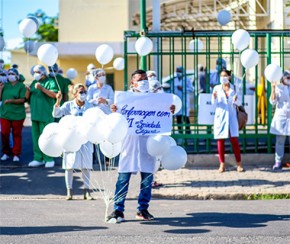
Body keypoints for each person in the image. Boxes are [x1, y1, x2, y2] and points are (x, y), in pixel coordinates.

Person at [106, 69, 175, 223]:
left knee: (147, 179)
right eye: (140, 79)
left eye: (145, 78)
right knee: (123, 179)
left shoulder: (155, 99)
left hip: (148, 145)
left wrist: (169, 110)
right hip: (129, 145)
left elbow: (163, 116)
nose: (144, 81)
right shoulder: (124, 99)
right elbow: (116, 120)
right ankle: (118, 210)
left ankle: (142, 209)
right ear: (133, 82)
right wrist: (114, 111)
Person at [52, 84, 94, 200]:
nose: (83, 94)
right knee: (69, 166)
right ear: (75, 94)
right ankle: (69, 191)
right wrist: (58, 101)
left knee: (86, 166)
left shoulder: (90, 105)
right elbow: (56, 114)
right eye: (80, 92)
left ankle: (87, 191)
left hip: (86, 139)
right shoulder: (68, 105)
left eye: (84, 91)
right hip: (70, 139)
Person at [211, 69, 244, 173]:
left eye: (225, 76)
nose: (223, 78)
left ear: (229, 77)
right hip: (220, 116)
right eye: (221, 76)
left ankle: (239, 164)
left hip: (232, 116)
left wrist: (236, 100)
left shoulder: (234, 88)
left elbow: (239, 103)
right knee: (220, 141)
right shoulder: (216, 88)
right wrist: (214, 97)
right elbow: (213, 103)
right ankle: (222, 165)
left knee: (234, 140)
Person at [27, 65, 59, 168]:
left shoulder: (51, 82)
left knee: (47, 138)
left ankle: (49, 158)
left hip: (46, 115)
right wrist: (27, 91)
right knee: (36, 138)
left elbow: (55, 95)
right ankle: (38, 158)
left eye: (37, 72)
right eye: (34, 72)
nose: (35, 74)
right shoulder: (33, 83)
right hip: (35, 115)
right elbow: (27, 98)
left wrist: (42, 89)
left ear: (43, 72)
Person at [0, 68, 26, 162]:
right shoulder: (5, 85)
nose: (10, 75)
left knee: (17, 134)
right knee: (4, 134)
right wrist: (0, 89)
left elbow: (23, 100)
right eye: (9, 73)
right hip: (5, 114)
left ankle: (16, 154)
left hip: (17, 115)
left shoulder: (21, 86)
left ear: (16, 76)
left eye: (12, 73)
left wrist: (11, 101)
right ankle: (6, 153)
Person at [269, 71, 290, 170]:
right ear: (282, 79)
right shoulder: (278, 87)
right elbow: (273, 102)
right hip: (281, 117)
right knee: (280, 141)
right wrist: (273, 89)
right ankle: (278, 161)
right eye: (287, 78)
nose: (288, 79)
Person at [173, 66, 194, 135]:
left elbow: (191, 89)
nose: (178, 73)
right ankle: (180, 132)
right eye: (177, 71)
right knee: (178, 117)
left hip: (184, 100)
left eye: (179, 71)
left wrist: (183, 88)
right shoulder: (175, 80)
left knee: (185, 117)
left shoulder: (187, 80)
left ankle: (188, 132)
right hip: (177, 100)